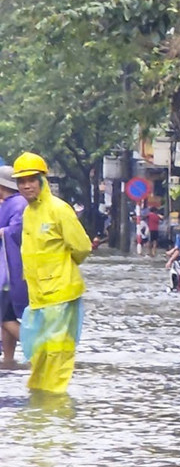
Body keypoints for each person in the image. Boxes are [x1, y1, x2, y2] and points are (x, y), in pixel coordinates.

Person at [12, 153, 91, 394]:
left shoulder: (59, 209)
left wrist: (63, 269)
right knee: (39, 351)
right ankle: (40, 401)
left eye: (31, 180)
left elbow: (82, 247)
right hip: (38, 296)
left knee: (57, 350)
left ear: (42, 180)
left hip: (61, 293)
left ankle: (54, 402)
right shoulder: (28, 213)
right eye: (21, 181)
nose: (26, 185)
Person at [0, 166, 25, 367]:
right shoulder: (11, 203)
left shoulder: (17, 204)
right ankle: (8, 359)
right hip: (9, 269)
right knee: (5, 315)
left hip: (8, 270)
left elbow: (16, 231)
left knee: (5, 318)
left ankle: (38, 349)